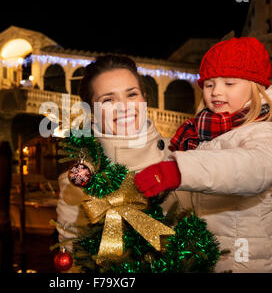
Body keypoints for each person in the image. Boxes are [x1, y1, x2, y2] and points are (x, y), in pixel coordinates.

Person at [134, 37, 272, 272]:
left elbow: (254, 167)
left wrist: (179, 171)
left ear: (256, 87)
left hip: (244, 258)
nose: (216, 92)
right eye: (209, 85)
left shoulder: (267, 132)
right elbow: (168, 151)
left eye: (229, 83)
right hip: (204, 252)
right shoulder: (199, 130)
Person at [55, 55, 192, 270]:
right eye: (108, 100)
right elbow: (74, 266)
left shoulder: (183, 159)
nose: (124, 107)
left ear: (144, 99)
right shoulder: (77, 182)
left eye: (132, 94)